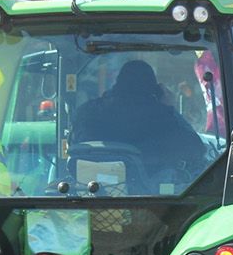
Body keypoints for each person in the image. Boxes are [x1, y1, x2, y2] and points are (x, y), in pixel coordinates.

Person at [73, 60, 204, 177]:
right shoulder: (161, 117)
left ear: (117, 84)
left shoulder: (86, 112)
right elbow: (196, 148)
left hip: (90, 191)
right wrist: (170, 108)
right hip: (149, 195)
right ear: (155, 90)